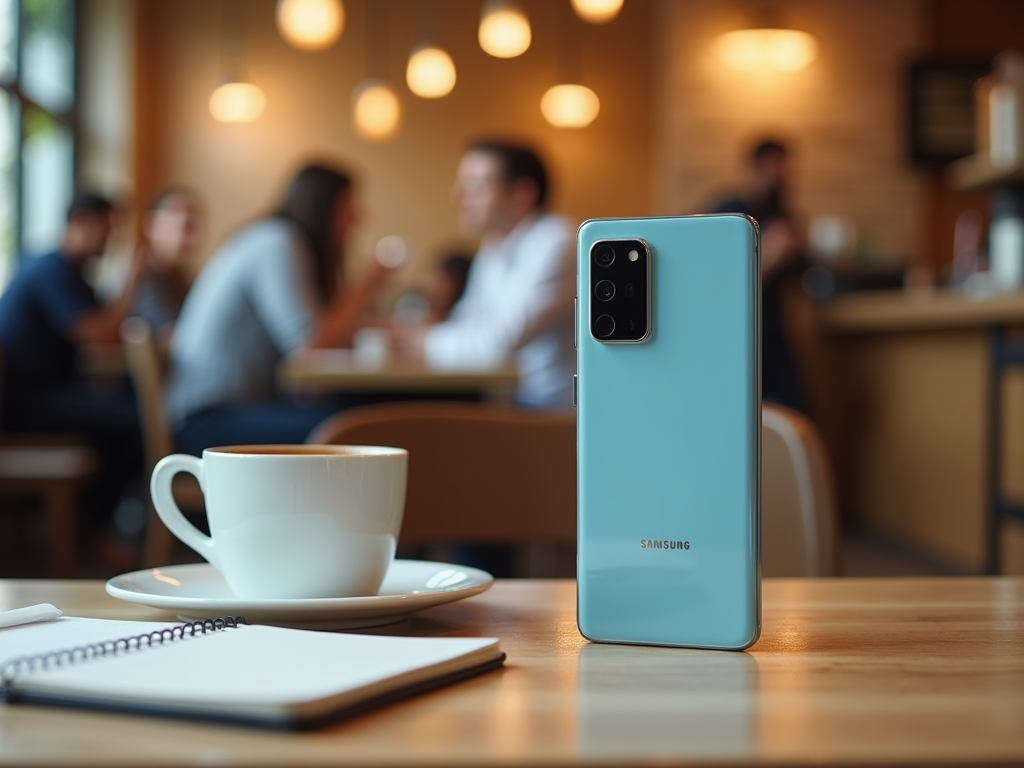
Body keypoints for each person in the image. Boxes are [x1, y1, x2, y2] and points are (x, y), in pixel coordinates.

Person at [166, 163, 388, 456]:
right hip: (208, 421)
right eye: (349, 206)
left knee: (361, 416)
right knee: (360, 429)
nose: (358, 218)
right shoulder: (276, 242)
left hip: (230, 410)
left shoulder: (278, 241)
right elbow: (309, 347)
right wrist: (366, 286)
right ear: (324, 207)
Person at [0, 191, 146, 527]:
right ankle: (100, 530)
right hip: (27, 402)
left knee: (128, 400)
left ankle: (91, 525)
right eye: (109, 229)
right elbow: (100, 337)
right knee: (139, 421)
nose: (112, 240)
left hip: (49, 392)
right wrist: (133, 282)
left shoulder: (72, 272)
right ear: (82, 222)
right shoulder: (51, 269)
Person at [397, 140, 575, 410]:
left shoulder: (557, 241)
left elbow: (498, 344)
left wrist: (420, 339)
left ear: (521, 194)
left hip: (550, 413)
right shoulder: (494, 247)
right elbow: (467, 322)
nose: (457, 196)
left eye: (475, 186)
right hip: (510, 401)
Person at [709, 139, 805, 412]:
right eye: (778, 167)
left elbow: (802, 275)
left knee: (794, 410)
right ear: (757, 167)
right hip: (736, 338)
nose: (784, 175)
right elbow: (718, 286)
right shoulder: (728, 214)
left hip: (774, 336)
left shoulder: (781, 214)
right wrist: (768, 257)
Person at [131, 188, 201, 345]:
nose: (190, 239)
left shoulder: (182, 277)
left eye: (194, 228)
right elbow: (172, 341)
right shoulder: (145, 277)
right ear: (151, 225)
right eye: (183, 226)